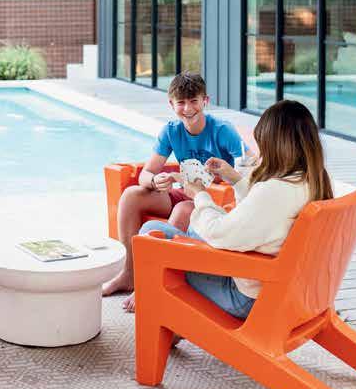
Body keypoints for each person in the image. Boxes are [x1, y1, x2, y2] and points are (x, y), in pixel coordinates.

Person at [136, 99, 334, 320]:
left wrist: (199, 194)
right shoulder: (314, 180)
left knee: (151, 232)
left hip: (248, 298)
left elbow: (218, 233)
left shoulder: (274, 191)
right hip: (287, 290)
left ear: (275, 146)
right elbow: (263, 212)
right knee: (193, 224)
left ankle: (168, 316)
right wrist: (234, 178)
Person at [102, 71, 243, 310]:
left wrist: (226, 176)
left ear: (205, 101)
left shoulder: (223, 130)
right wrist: (155, 181)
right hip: (184, 191)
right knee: (131, 196)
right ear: (171, 104)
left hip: (215, 203)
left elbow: (249, 167)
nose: (187, 109)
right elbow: (146, 173)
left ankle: (154, 282)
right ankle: (130, 273)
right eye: (181, 102)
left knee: (182, 210)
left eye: (194, 101)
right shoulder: (170, 131)